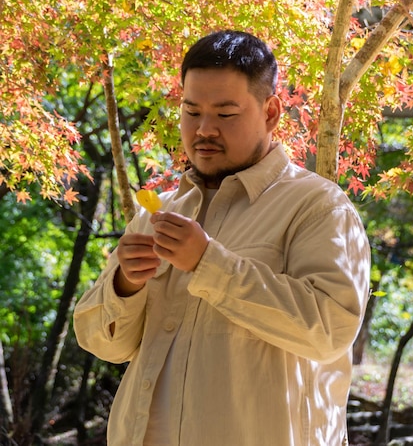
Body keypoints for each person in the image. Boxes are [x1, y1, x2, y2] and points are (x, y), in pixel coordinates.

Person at [73, 30, 370, 446]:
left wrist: (208, 263)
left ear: (270, 113)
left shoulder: (319, 208)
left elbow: (329, 332)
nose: (204, 130)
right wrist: (126, 285)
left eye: (225, 114)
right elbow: (102, 344)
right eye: (191, 111)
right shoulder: (158, 211)